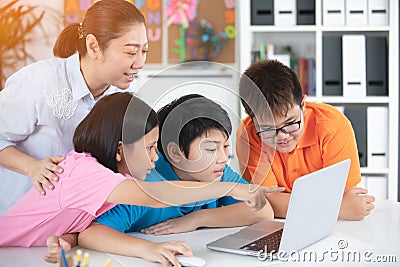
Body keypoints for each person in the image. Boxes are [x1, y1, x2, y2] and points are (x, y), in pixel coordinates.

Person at [0, 93, 281, 267]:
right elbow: (153, 195)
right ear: (121, 148)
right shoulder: (86, 173)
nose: (155, 157)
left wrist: (68, 240)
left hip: (24, 254)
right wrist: (148, 249)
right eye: (149, 148)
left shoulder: (110, 175)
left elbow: (83, 227)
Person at [0, 0, 148, 214]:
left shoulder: (127, 95)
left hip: (77, 224)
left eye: (144, 51)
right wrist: (32, 166)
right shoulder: (40, 82)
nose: (140, 62)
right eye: (131, 52)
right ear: (94, 46)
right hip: (19, 219)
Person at [236, 59, 375, 221]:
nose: (282, 136)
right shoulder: (248, 136)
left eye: (290, 123)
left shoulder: (332, 126)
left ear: (303, 105)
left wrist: (337, 205)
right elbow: (266, 203)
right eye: (267, 129)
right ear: (252, 120)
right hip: (277, 224)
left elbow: (347, 196)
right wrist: (336, 209)